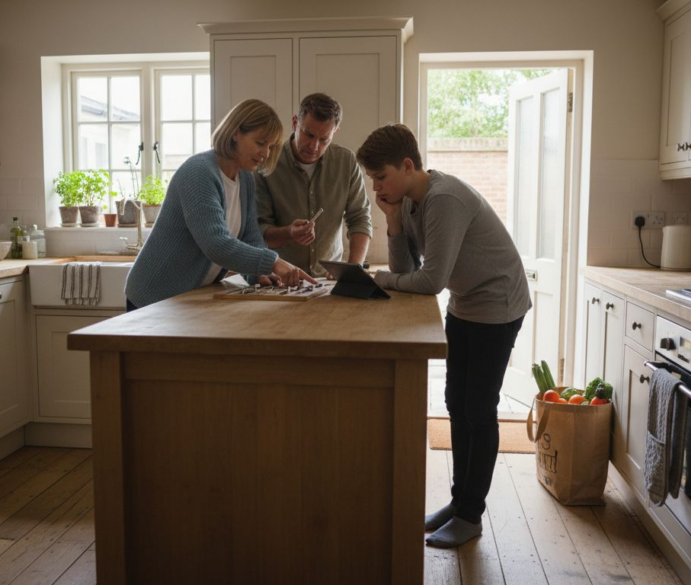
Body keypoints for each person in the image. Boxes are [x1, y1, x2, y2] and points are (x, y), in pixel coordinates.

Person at [355, 124, 531, 549]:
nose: (375, 186)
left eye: (380, 177)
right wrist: (393, 219)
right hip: (465, 304)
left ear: (408, 165)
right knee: (456, 404)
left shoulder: (444, 199)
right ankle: (458, 504)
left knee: (478, 408)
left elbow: (429, 279)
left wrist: (382, 279)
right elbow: (407, 265)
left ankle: (471, 515)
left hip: (498, 306)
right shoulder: (411, 203)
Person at [124, 99, 316, 310]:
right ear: (235, 133)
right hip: (153, 298)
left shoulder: (246, 180)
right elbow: (215, 244)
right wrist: (273, 263)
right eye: (260, 143)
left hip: (185, 300)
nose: (266, 153)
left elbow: (250, 237)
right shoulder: (198, 173)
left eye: (270, 147)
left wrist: (259, 274)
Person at [255, 93, 372, 277]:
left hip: (330, 279)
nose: (314, 146)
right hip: (281, 279)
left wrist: (352, 271)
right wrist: (289, 233)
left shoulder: (346, 162)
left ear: (335, 132)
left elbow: (360, 218)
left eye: (324, 139)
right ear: (295, 123)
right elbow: (259, 230)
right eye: (308, 134)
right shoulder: (267, 163)